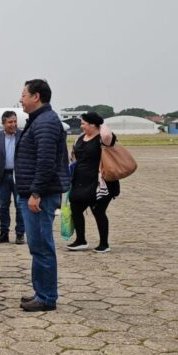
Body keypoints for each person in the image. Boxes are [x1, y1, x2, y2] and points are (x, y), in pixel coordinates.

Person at [15, 79, 70, 312]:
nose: (21, 99)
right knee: (36, 246)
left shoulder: (46, 122)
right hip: (33, 193)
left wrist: (36, 192)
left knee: (42, 246)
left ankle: (47, 297)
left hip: (39, 196)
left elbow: (46, 162)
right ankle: (41, 292)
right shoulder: (40, 120)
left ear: (36, 96)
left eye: (24, 95)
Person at [67, 112, 118, 253]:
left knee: (98, 211)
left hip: (99, 183)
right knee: (75, 208)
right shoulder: (80, 138)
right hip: (80, 181)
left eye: (84, 123)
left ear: (93, 125)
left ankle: (104, 243)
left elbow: (107, 135)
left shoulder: (103, 139)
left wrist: (101, 123)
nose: (81, 126)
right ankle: (80, 240)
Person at [0, 111, 25, 244]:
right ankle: (4, 233)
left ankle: (20, 234)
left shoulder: (23, 135)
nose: (13, 124)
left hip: (19, 177)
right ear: (3, 123)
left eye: (15, 121)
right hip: (2, 177)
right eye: (10, 122)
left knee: (20, 206)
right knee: (3, 206)